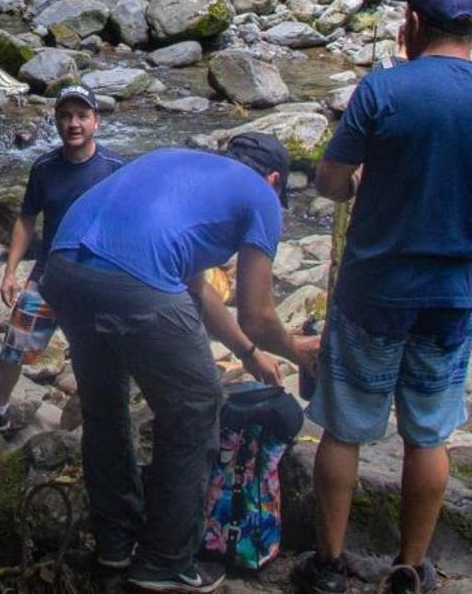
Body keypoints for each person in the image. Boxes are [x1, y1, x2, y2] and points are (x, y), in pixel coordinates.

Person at [295, 0, 472, 594]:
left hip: (373, 289)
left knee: (345, 426)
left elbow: (329, 178)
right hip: (450, 297)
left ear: (415, 26)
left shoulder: (382, 92)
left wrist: (353, 186)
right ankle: (411, 566)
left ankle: (328, 565)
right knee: (428, 434)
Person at [41, 136, 316, 594]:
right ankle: (166, 560)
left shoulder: (183, 170)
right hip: (132, 279)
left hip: (65, 268)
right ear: (274, 180)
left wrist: (249, 354)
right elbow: (258, 314)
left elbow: (195, 289)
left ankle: (115, 541)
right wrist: (297, 350)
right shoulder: (260, 196)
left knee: (105, 409)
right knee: (195, 407)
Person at [0, 85, 123, 437]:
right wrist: (11, 272)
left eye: (81, 116)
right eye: (65, 116)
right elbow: (26, 218)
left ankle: (102, 421)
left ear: (96, 121)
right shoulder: (45, 168)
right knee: (14, 347)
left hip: (97, 279)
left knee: (99, 354)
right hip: (49, 276)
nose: (73, 123)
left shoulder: (115, 169)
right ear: (56, 122)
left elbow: (131, 223)